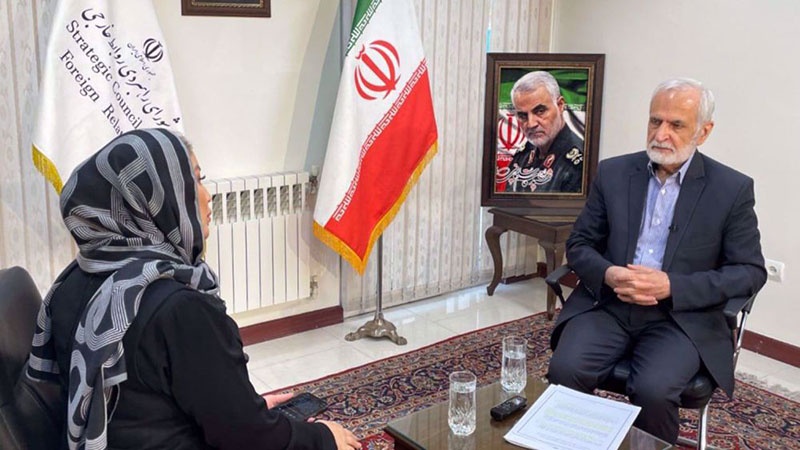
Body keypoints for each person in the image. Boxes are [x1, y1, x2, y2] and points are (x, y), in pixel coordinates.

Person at [26, 128, 361, 450]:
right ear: (154, 198)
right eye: (196, 181)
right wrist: (321, 437)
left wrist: (238, 406)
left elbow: (142, 403)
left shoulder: (71, 283)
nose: (207, 195)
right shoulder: (180, 309)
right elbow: (246, 438)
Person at [546, 78, 767, 443]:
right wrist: (609, 273)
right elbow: (580, 244)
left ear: (703, 131)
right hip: (609, 305)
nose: (661, 134)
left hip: (680, 318)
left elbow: (749, 272)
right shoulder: (614, 173)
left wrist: (672, 286)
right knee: (564, 370)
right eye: (655, 121)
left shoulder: (731, 189)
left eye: (676, 125)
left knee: (653, 389)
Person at [506, 71, 584, 193]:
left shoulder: (578, 165)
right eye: (523, 115)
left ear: (560, 105)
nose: (531, 124)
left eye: (540, 111)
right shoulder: (523, 155)